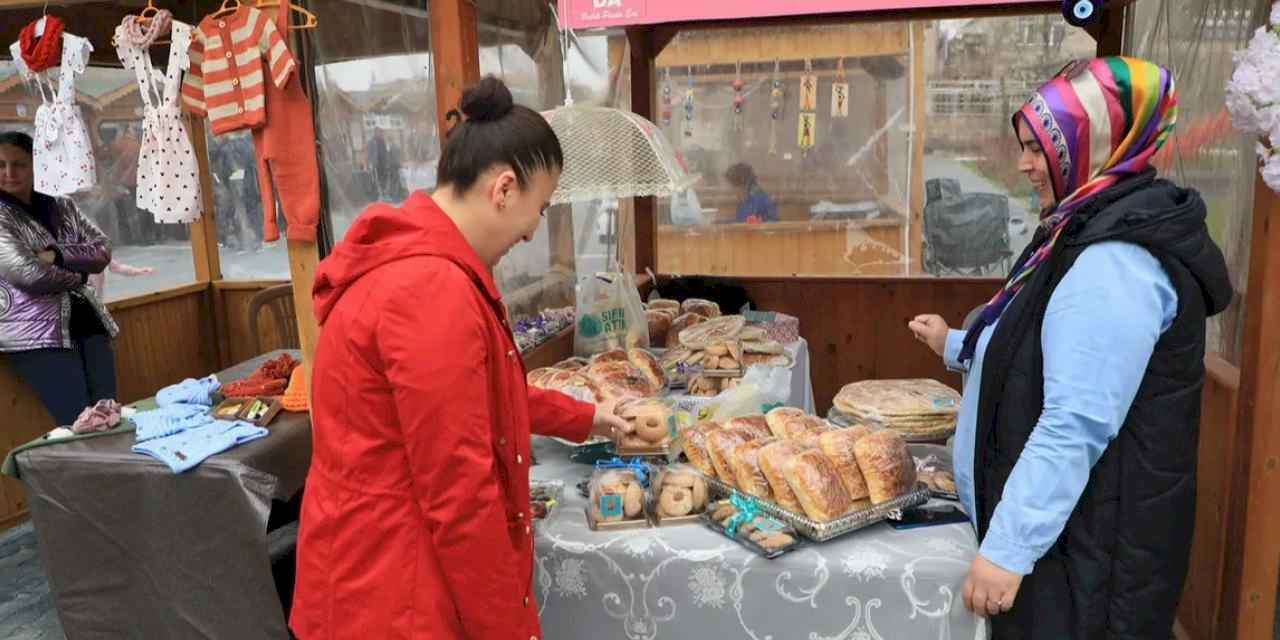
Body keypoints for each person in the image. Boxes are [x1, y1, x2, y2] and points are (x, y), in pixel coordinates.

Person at [290, 76, 632, 640]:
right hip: (391, 598)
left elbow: (475, 400)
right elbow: (460, 497)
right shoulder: (428, 289)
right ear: (503, 189)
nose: (530, 234)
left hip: (371, 577)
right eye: (540, 210)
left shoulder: (418, 265)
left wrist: (587, 417)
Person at [908, 57, 1230, 638]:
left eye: (1038, 148)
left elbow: (1075, 421)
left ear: (1093, 144)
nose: (1025, 164)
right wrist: (956, 344)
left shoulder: (1114, 261)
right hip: (1066, 546)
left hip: (1088, 561)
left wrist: (1007, 549)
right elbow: (1031, 351)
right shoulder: (1078, 228)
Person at [0, 131, 119, 427]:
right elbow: (28, 274)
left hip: (88, 324)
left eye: (19, 164)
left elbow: (103, 250)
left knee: (111, 415)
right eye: (0, 165)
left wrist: (56, 254)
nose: (9, 172)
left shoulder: (61, 206)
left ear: (35, 165)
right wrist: (80, 273)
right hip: (36, 334)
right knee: (78, 422)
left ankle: (114, 474)